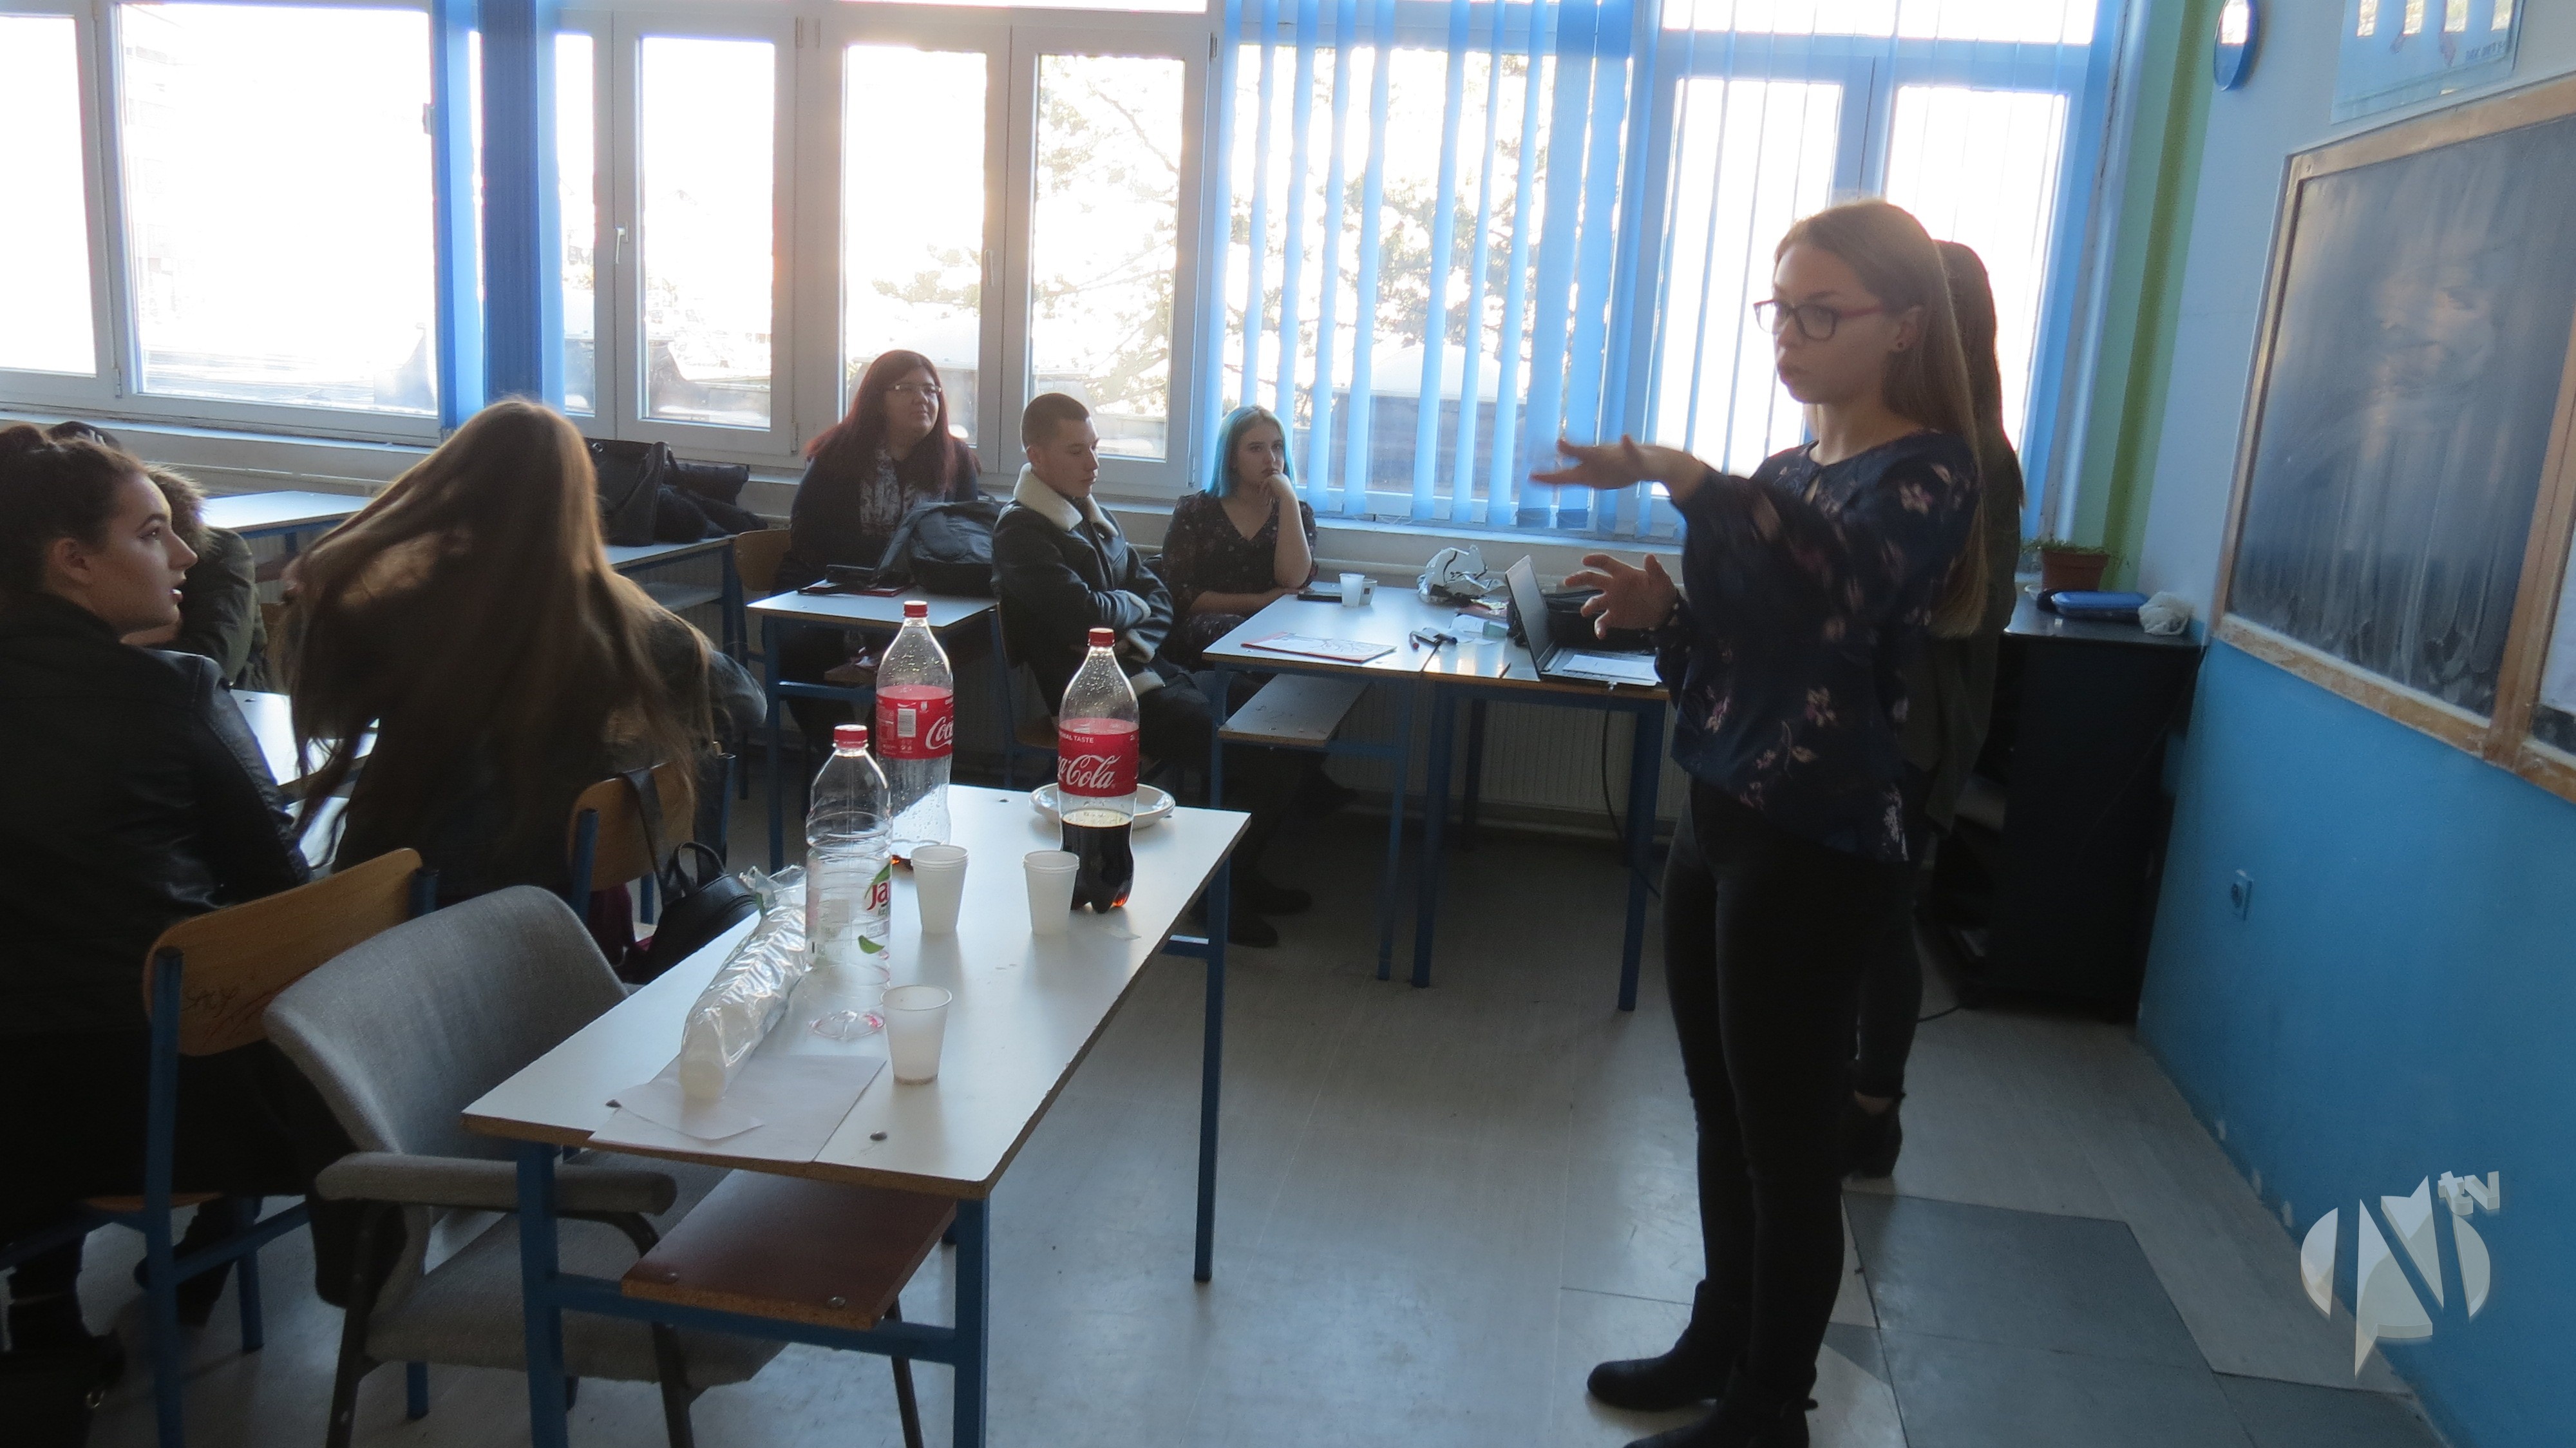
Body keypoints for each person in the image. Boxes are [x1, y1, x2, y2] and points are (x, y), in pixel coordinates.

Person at [1539, 199, 1982, 1448]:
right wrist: (1669, 614)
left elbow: (1841, 580)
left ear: (1902, 325)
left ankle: (1769, 1408)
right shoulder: (1786, 473)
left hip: (1820, 846)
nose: (1788, 333)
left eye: (1820, 311)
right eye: (1778, 308)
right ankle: (1717, 1337)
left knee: (1788, 1144)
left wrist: (1684, 476)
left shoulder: (1929, 471)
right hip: (1723, 814)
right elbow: (1753, 650)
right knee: (1723, 1111)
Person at [0, 424, 346, 1405]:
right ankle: (208, 1254)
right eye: (153, 533)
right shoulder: (174, 691)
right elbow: (282, 902)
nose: (186, 555)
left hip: (14, 1119)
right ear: (73, 561)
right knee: (231, 984)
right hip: (168, 1108)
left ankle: (44, 1306)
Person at [285, 399, 762, 903]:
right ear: (577, 500)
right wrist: (616, 750)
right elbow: (745, 704)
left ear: (453, 483)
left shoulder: (408, 605)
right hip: (545, 900)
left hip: (394, 891)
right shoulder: (617, 618)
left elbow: (326, 716)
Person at [1841, 240, 2027, 1179]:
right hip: (1855, 719)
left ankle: (1873, 1110)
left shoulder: (1979, 458)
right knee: (1841, 918)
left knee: (1882, 920)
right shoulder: (1878, 440)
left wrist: (1872, 596)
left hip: (1915, 729)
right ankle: (1835, 1088)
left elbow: (1982, 608)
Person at [992, 393, 1306, 946]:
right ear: (1036, 456)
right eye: (1076, 452)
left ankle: (1242, 873)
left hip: (1149, 675)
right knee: (1261, 760)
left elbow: (1157, 596)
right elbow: (1084, 614)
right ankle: (1216, 896)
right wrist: (1124, 610)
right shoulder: (1022, 532)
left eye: (1095, 448)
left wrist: (1126, 623)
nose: (1094, 463)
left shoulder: (1092, 514)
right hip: (1100, 705)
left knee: (1284, 727)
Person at [775, 350, 984, 738]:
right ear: (877, 398)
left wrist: (907, 566)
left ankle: (882, 751)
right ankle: (838, 754)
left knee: (931, 651)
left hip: (918, 594)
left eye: (931, 390)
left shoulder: (955, 458)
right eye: (906, 388)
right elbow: (808, 536)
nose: (922, 399)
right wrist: (891, 559)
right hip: (828, 585)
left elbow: (964, 540)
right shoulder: (838, 452)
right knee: (798, 647)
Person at [1158, 405, 1317, 668]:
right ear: (1231, 458)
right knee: (1237, 633)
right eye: (1256, 449)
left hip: (1275, 629)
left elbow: (1292, 580)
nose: (1271, 459)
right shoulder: (1195, 511)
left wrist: (1288, 499)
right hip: (1207, 627)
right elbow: (1180, 594)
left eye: (1277, 447)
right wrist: (1260, 602)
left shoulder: (1297, 513)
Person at [124, 464, 271, 689]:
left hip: (235, 696)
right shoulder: (88, 562)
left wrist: (117, 642)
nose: (186, 557)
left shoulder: (218, 549)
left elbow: (217, 661)